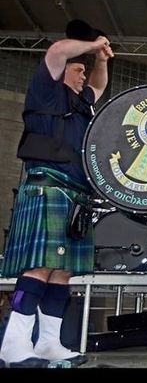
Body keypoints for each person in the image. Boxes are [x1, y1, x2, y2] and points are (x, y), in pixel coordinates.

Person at [0, 20, 114, 368]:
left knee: (62, 272)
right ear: (64, 69)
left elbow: (99, 85)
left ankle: (49, 344)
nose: (83, 76)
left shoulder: (81, 106)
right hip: (47, 187)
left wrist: (102, 60)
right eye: (79, 70)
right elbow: (56, 51)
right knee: (38, 269)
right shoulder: (46, 90)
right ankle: (14, 346)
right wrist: (92, 45)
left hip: (74, 193)